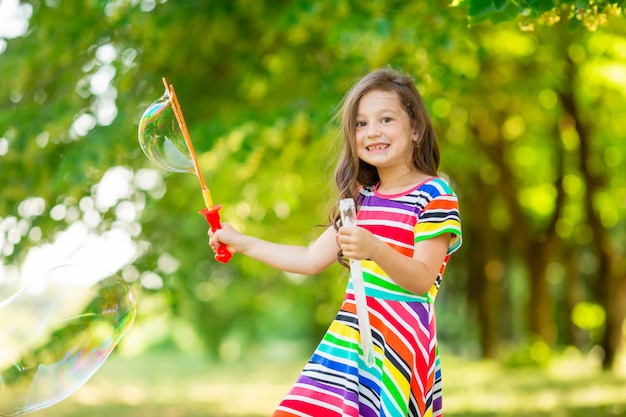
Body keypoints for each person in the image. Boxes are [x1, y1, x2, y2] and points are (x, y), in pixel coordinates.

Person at [209, 67, 462, 417]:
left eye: (386, 119)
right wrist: (241, 242)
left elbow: (421, 281)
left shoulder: (435, 194)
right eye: (361, 124)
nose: (372, 131)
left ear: (415, 128)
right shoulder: (361, 199)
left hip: (399, 343)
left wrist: (374, 248)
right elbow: (310, 260)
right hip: (352, 339)